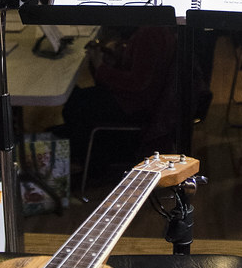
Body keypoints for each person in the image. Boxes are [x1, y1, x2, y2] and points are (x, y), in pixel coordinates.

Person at [61, 26, 177, 164]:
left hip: (135, 107)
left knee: (74, 105)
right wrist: (111, 58)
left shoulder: (150, 33)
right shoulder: (154, 29)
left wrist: (100, 67)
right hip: (140, 101)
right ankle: (83, 151)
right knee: (76, 98)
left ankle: (89, 159)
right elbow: (138, 68)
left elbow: (137, 83)